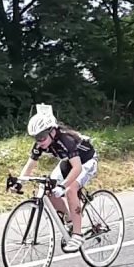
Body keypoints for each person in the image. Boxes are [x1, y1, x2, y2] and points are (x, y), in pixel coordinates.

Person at [16, 104, 98, 251]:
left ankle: (78, 235)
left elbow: (78, 168)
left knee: (71, 190)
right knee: (47, 188)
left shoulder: (66, 140)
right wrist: (20, 182)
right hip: (68, 162)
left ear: (52, 131)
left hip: (86, 161)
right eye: (35, 138)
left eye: (41, 137)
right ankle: (69, 219)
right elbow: (30, 165)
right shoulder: (40, 143)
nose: (39, 141)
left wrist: (63, 185)